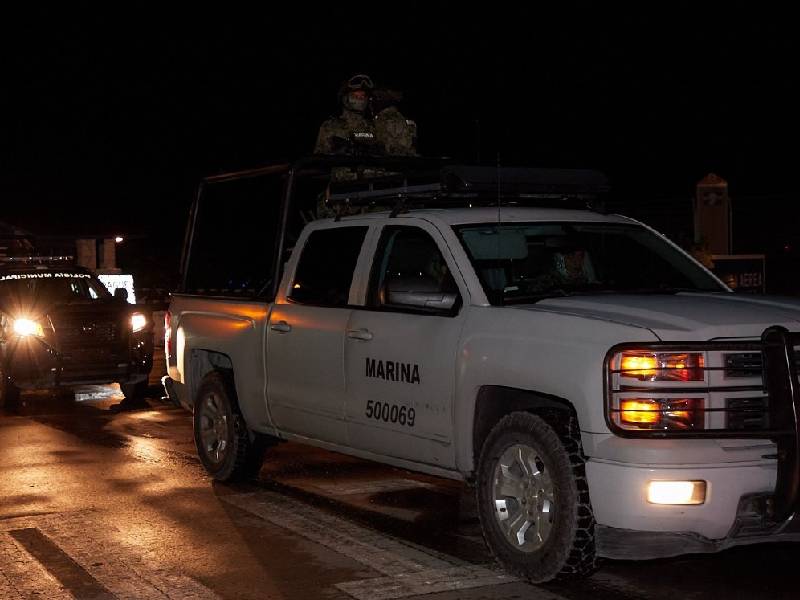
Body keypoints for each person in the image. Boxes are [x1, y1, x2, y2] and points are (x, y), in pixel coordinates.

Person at [314, 74, 381, 156]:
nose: (360, 99)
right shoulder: (330, 127)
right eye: (355, 96)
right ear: (345, 98)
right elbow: (319, 158)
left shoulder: (374, 127)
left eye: (363, 96)